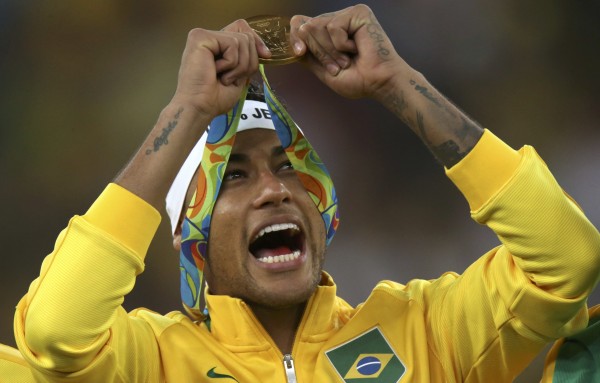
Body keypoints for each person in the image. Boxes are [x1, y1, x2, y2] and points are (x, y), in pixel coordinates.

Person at [9, 4, 600, 382]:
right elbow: (57, 332)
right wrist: (187, 111)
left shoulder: (425, 332)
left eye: (290, 167)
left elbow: (566, 262)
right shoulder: (152, 363)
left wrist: (399, 84)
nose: (274, 189)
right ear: (193, 235)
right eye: (234, 175)